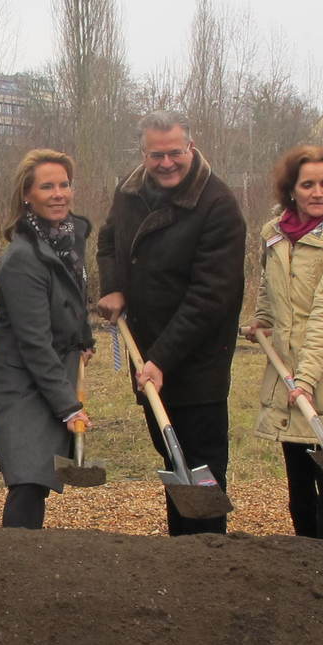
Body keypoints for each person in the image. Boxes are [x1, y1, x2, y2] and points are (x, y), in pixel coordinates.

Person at [94, 112, 247, 536]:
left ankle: (209, 559)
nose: (165, 163)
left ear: (191, 149)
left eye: (174, 153)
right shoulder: (129, 191)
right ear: (143, 154)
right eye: (155, 154)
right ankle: (182, 557)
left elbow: (210, 296)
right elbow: (108, 239)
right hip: (148, 352)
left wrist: (163, 357)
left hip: (197, 362)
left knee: (201, 468)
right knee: (172, 459)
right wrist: (114, 285)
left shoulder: (217, 205)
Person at [246, 144, 323, 541]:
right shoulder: (274, 234)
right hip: (287, 368)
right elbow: (269, 286)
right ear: (291, 190)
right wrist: (263, 320)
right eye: (308, 185)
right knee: (298, 486)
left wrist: (308, 381)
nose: (318, 193)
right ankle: (305, 570)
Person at [0, 149, 94, 530]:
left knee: (39, 478)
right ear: (27, 195)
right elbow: (33, 341)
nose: (59, 193)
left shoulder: (68, 241)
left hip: (50, 373)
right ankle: (15, 565)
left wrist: (84, 336)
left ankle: (25, 566)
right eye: (47, 186)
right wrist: (69, 407)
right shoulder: (22, 258)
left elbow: (74, 296)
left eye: (64, 184)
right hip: (18, 383)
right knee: (27, 478)